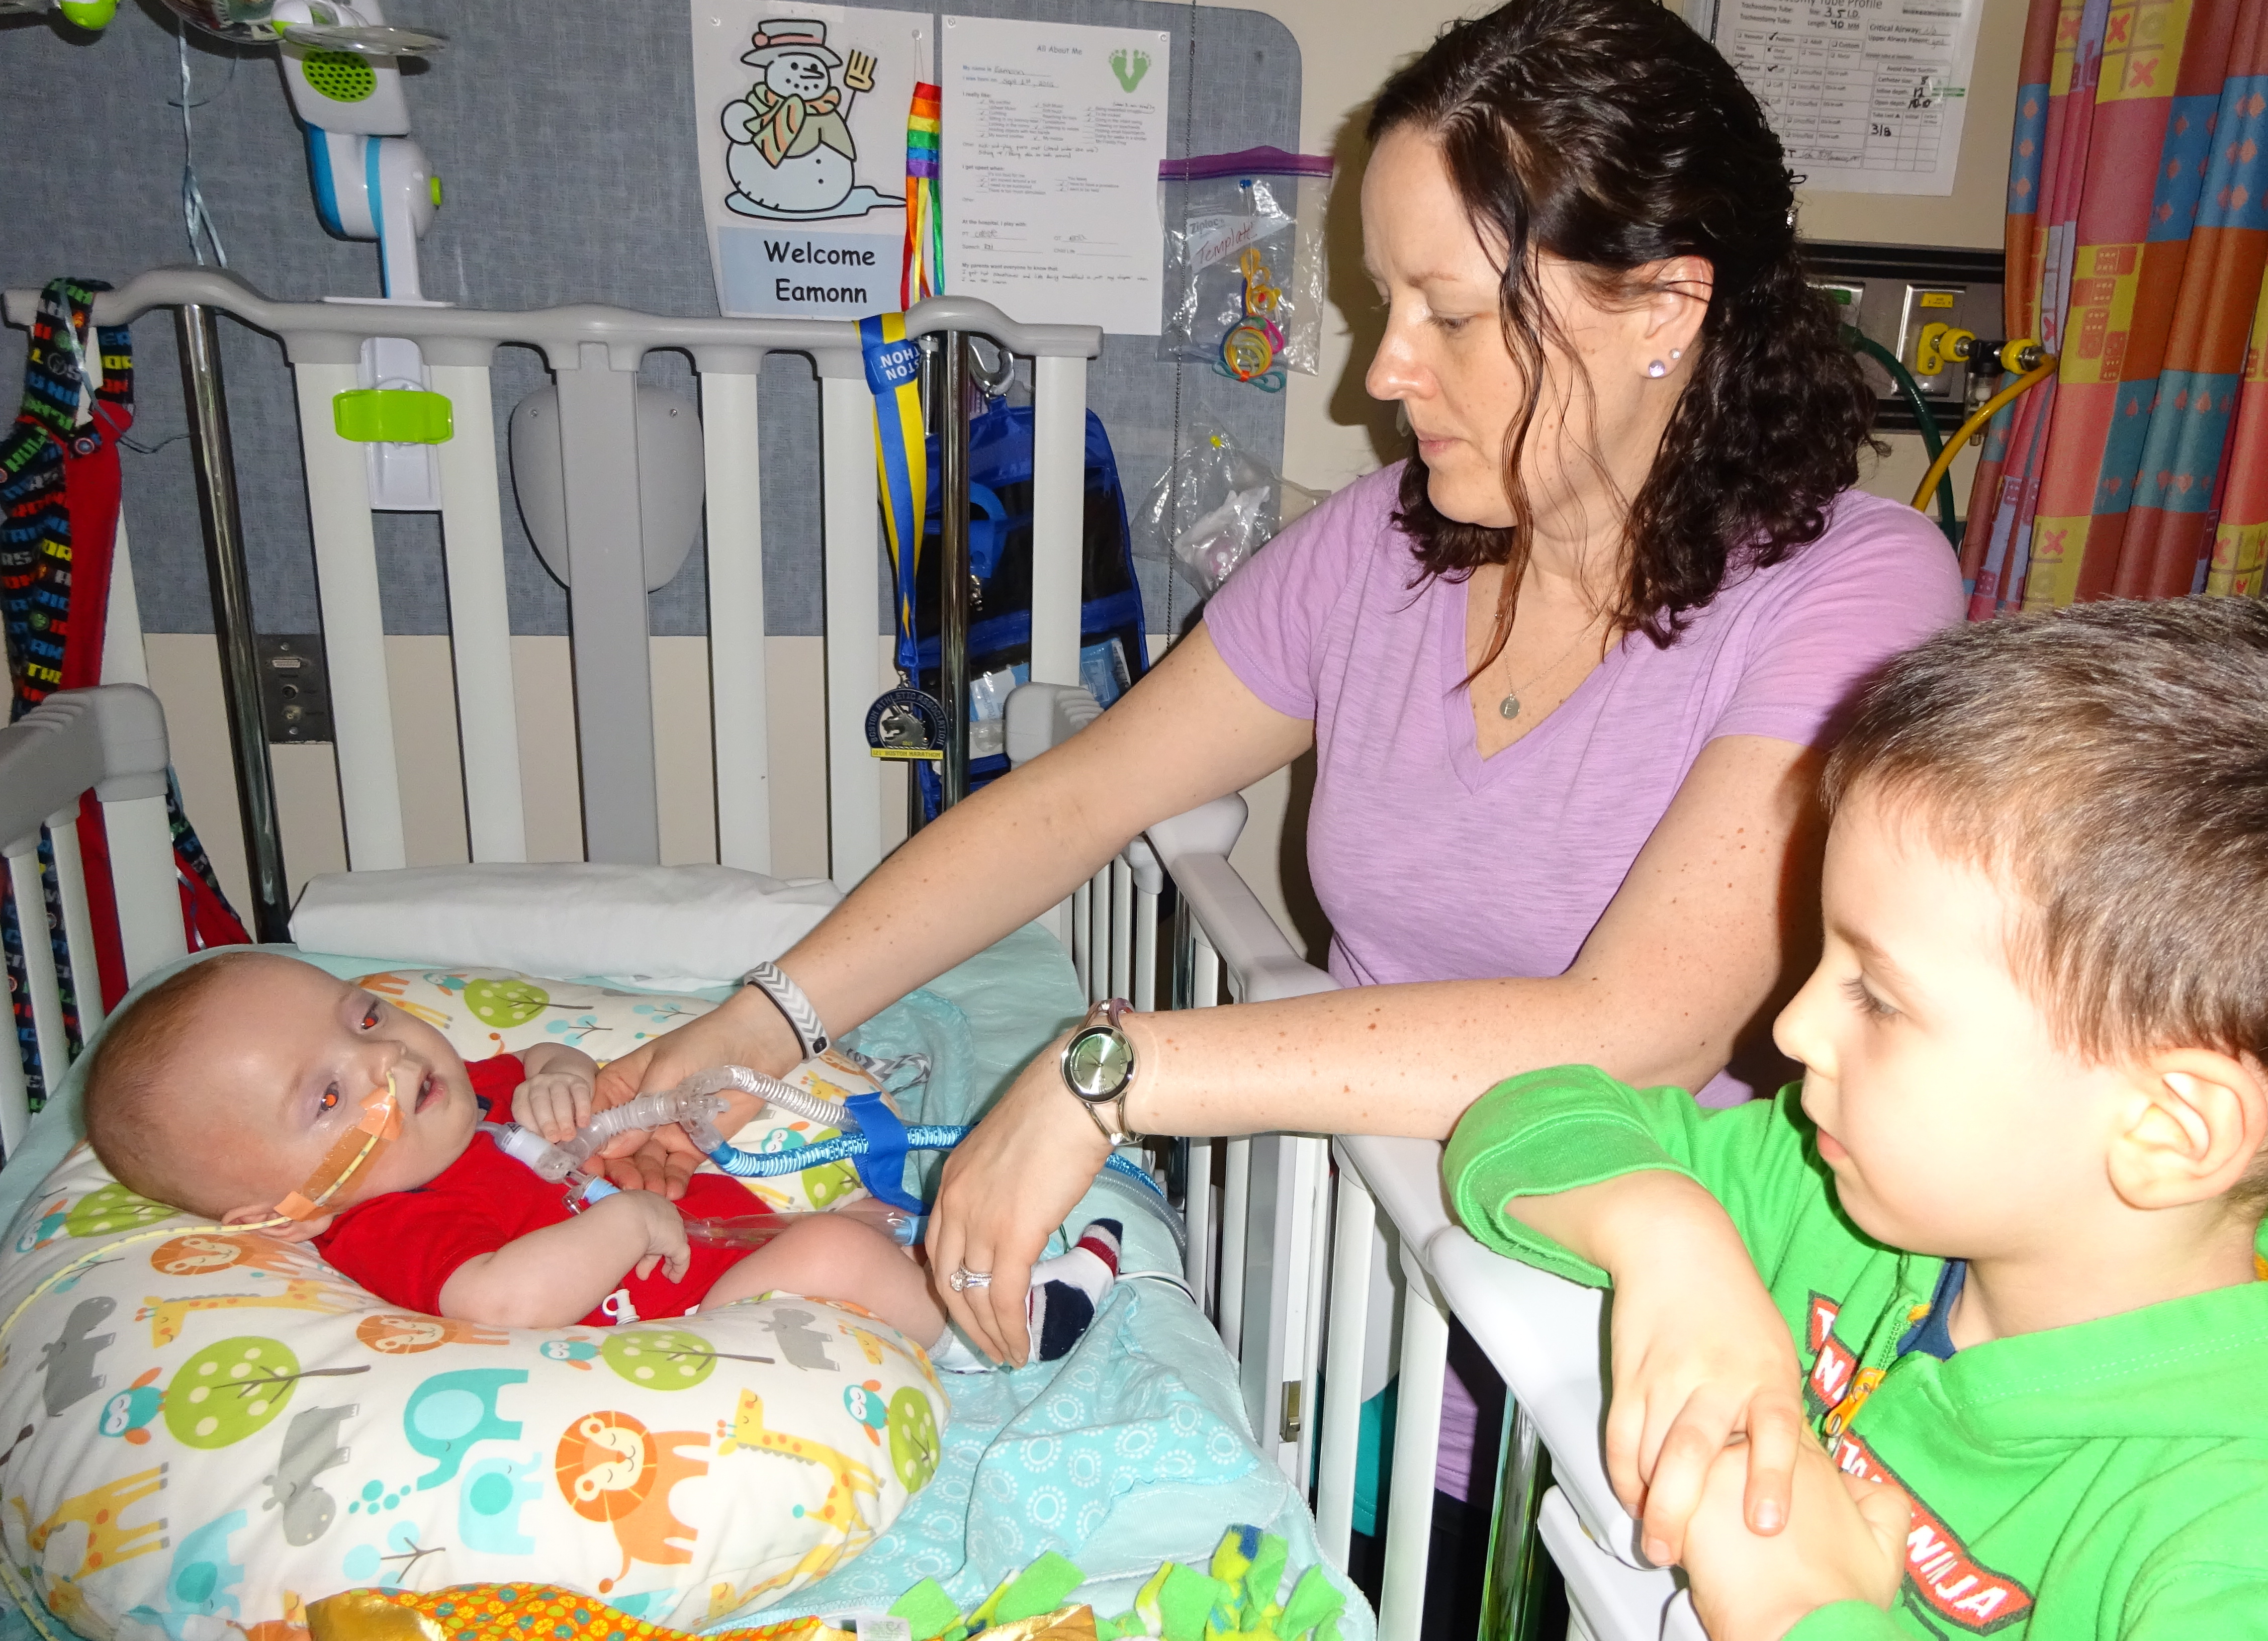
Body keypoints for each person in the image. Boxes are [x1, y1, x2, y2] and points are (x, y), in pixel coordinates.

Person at [600, 0, 1963, 1554]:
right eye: (1387, 302)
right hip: (1334, 1305)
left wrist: (1114, 1070)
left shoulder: (1855, 596)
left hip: (1608, 1408)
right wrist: (762, 1021)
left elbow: (1633, 1032)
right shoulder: (1382, 551)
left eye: (1451, 315)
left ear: (1662, 303)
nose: (1385, 372)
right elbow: (1075, 799)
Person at [1444, 598, 2268, 1639]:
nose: (1792, 1028)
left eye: (1878, 998)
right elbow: (1526, 1114)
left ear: (2169, 1129)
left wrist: (1802, 1612)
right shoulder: (1843, 1195)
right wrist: (1670, 1241)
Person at [79, 951, 1117, 1364]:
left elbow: (533, 1059)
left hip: (724, 1244)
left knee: (860, 1223)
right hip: (684, 1326)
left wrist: (562, 1073)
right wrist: (619, 1225)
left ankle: (953, 1268)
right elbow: (495, 1299)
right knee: (838, 1260)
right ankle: (995, 1329)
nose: (385, 1061)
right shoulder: (387, 1219)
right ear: (289, 1208)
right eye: (326, 1097)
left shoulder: (460, 1102)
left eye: (364, 1018)